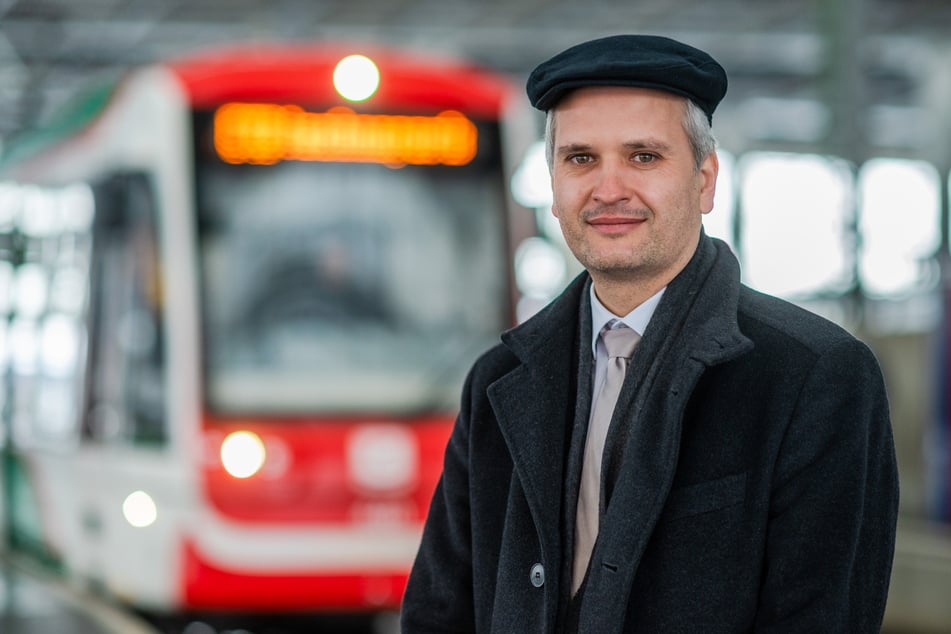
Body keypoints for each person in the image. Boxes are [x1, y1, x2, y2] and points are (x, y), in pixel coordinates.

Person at [400, 34, 899, 633]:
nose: (608, 190)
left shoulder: (815, 375)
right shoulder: (497, 382)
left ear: (705, 180)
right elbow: (439, 611)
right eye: (581, 158)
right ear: (552, 188)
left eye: (643, 157)